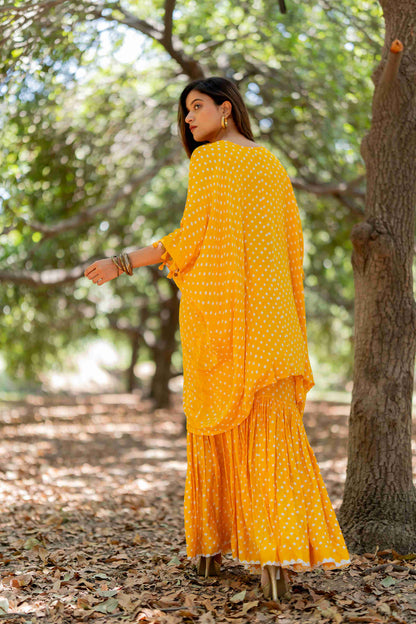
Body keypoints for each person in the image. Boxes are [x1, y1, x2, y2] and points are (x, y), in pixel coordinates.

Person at [84, 76, 351, 600]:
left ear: (226, 109)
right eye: (186, 110)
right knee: (273, 438)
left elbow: (190, 240)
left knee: (226, 431)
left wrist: (122, 262)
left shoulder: (209, 161)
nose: (188, 119)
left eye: (197, 106)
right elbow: (292, 252)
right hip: (273, 323)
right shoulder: (271, 166)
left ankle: (213, 551)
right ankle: (276, 560)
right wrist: (286, 314)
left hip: (223, 321)